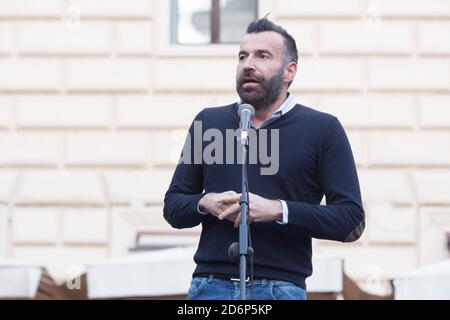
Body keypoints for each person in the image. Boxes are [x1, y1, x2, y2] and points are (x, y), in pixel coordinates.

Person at [163, 18, 365, 300]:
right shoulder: (208, 122)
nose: (248, 64)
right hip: (209, 286)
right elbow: (172, 206)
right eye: (242, 56)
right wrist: (204, 202)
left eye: (263, 56)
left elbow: (350, 220)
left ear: (289, 71)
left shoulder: (323, 129)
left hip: (280, 288)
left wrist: (279, 210)